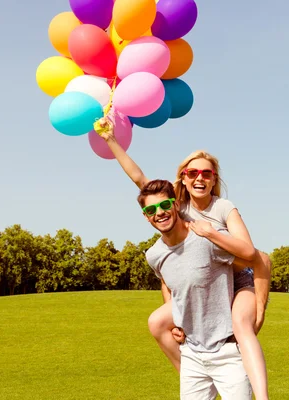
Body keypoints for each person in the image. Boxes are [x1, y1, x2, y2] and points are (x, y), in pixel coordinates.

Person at [97, 117, 271, 400]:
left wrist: (260, 306)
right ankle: (193, 373)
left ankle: (262, 396)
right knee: (157, 322)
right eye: (192, 173)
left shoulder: (223, 207)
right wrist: (111, 140)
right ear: (183, 178)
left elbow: (255, 255)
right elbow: (141, 181)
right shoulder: (178, 205)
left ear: (214, 179)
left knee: (241, 325)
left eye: (206, 173)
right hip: (201, 276)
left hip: (238, 278)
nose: (199, 178)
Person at [140, 179, 252, 399]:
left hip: (227, 351)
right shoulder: (154, 255)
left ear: (175, 205)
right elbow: (168, 282)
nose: (159, 213)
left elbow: (254, 260)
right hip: (191, 355)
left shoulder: (206, 238)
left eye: (164, 205)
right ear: (146, 216)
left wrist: (256, 306)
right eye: (151, 209)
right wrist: (175, 318)